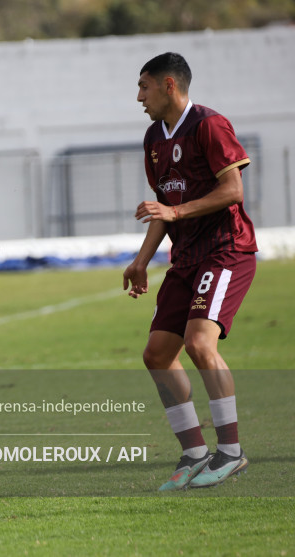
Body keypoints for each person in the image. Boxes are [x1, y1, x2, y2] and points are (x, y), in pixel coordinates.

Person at [123, 53, 256, 490]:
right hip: (185, 258)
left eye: (143, 87)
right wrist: (141, 260)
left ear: (169, 85)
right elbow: (163, 207)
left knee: (200, 343)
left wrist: (176, 212)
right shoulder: (153, 138)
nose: (138, 97)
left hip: (225, 250)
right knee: (157, 355)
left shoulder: (208, 125)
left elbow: (233, 190)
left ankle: (231, 452)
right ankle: (195, 453)